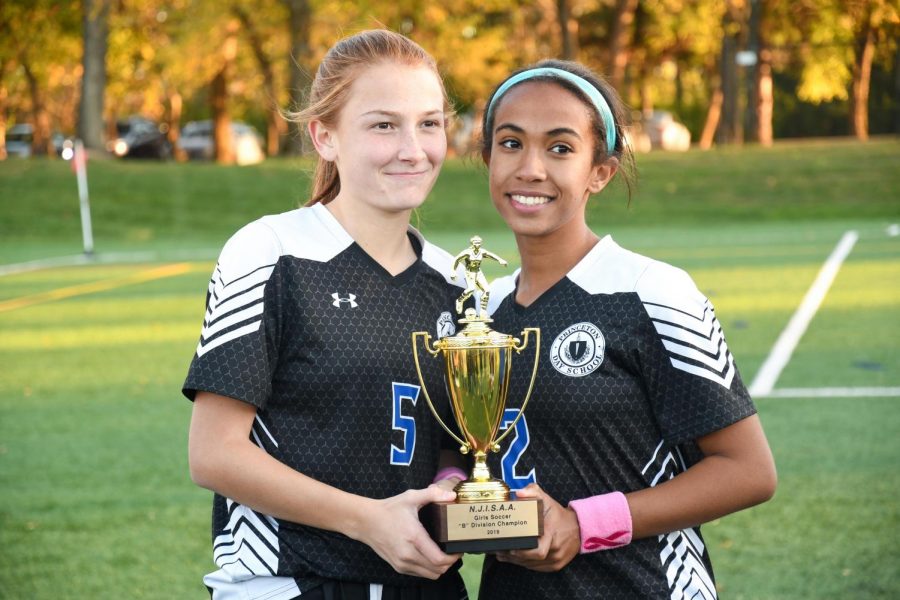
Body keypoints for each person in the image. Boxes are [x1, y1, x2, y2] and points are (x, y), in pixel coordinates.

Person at [184, 30, 470, 600]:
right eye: (383, 125)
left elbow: (447, 447)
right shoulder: (271, 252)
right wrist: (369, 520)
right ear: (325, 136)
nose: (413, 148)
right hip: (288, 583)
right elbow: (215, 454)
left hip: (424, 586)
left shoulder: (458, 284)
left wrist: (450, 494)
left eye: (430, 123)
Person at [476, 60, 778, 599]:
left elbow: (748, 471)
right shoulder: (480, 312)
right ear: (487, 158)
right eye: (511, 143)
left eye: (561, 148)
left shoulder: (652, 292)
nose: (531, 168)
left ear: (601, 172)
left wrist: (583, 523)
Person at [451, 235, 508, 316]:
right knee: (471, 289)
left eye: (479, 243)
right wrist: (453, 271)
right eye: (475, 242)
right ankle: (460, 300)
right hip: (470, 272)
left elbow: (491, 255)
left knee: (487, 290)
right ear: (472, 243)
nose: (477, 244)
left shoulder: (482, 252)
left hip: (478, 272)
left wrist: (500, 260)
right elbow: (456, 259)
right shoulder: (467, 252)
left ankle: (483, 310)